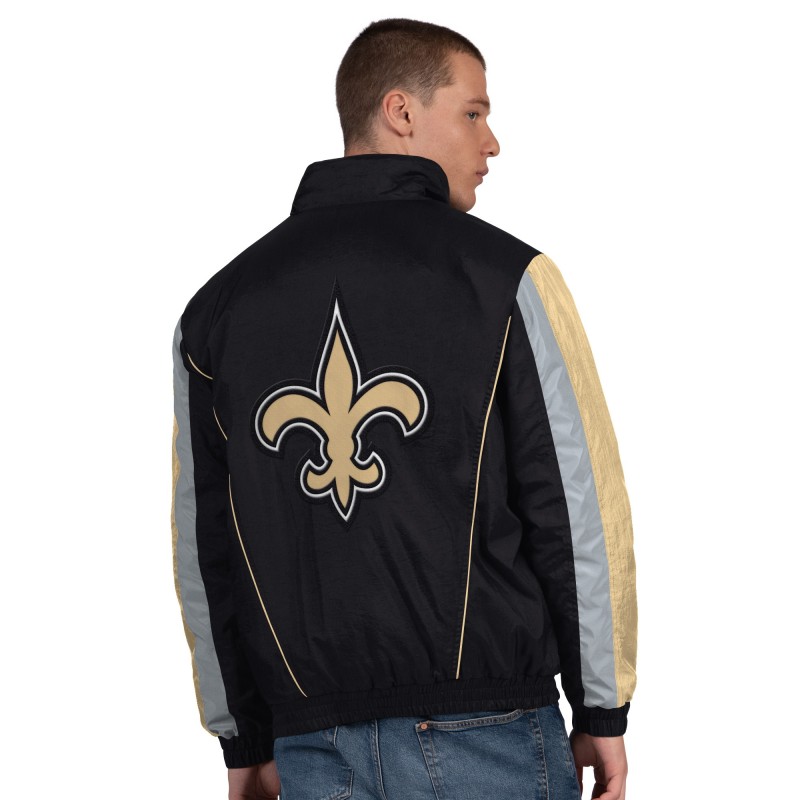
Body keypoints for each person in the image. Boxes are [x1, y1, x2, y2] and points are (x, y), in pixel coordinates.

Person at [171, 17, 637, 800]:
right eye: (474, 112)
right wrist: (602, 708)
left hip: (311, 747)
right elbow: (577, 508)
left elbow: (204, 547)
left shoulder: (216, 309)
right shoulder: (508, 278)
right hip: (488, 737)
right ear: (401, 111)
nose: (492, 143)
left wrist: (241, 737)